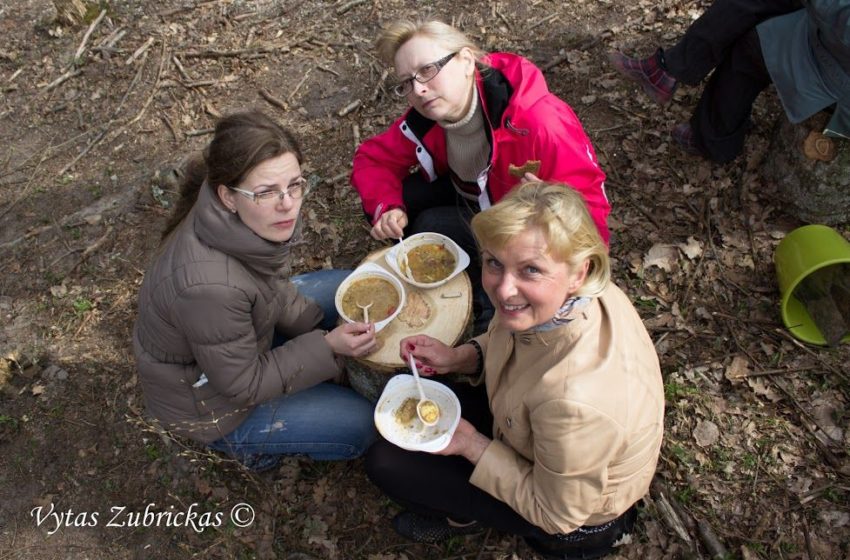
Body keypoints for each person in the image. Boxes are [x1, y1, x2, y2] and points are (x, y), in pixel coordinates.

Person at [365, 182, 664, 560]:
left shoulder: (578, 401)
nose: (504, 291)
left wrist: (472, 445)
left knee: (387, 464)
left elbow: (558, 513)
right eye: (494, 263)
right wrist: (461, 357)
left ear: (579, 271)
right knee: (398, 404)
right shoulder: (569, 297)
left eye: (530, 270)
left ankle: (462, 519)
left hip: (572, 515)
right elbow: (516, 338)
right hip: (530, 427)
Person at [133, 110, 377, 471]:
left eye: (295, 185)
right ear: (228, 196)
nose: (288, 204)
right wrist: (326, 346)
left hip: (233, 337)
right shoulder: (208, 289)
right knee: (363, 425)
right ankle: (247, 449)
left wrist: (314, 327)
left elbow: (270, 285)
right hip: (213, 405)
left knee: (351, 286)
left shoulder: (237, 216)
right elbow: (242, 384)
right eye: (266, 193)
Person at [351, 19, 610, 332]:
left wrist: (558, 214)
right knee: (425, 222)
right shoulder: (428, 118)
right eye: (407, 82)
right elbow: (372, 159)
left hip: (524, 235)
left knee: (501, 321)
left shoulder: (537, 122)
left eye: (428, 70)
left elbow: (591, 214)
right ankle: (476, 280)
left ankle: (487, 323)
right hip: (478, 202)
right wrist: (386, 206)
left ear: (465, 59)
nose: (419, 89)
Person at [609, 0, 849, 163]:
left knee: (752, 48)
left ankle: (711, 139)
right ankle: (670, 69)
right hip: (832, 45)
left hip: (837, 68)